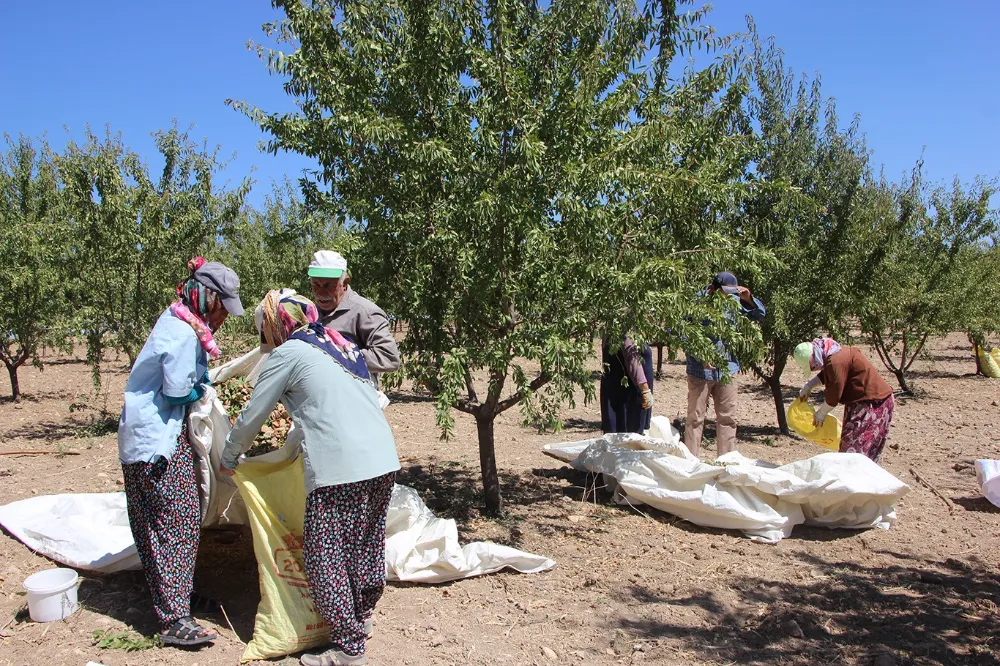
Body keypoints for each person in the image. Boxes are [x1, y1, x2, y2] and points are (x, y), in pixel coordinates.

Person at [222, 291, 400, 666]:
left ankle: (349, 648)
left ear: (276, 327)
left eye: (264, 334)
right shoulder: (339, 345)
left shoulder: (289, 353)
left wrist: (229, 456)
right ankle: (361, 619)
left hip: (341, 467)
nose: (265, 342)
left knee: (324, 557)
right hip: (383, 459)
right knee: (364, 546)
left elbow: (254, 412)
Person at [117, 257, 244, 647]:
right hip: (158, 443)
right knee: (176, 521)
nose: (224, 316)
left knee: (157, 523)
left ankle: (177, 597)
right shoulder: (184, 333)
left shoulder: (176, 319)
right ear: (208, 299)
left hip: (141, 439)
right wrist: (203, 389)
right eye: (223, 307)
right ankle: (173, 618)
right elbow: (176, 392)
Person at [685, 271, 766, 457]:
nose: (729, 296)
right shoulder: (696, 303)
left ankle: (726, 461)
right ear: (713, 289)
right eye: (725, 292)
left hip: (727, 369)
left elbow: (760, 314)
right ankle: (690, 462)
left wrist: (749, 299)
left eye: (732, 292)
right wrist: (700, 355)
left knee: (727, 418)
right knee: (695, 417)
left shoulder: (735, 302)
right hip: (700, 371)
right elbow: (681, 332)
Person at [795, 337, 895, 463]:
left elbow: (834, 395)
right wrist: (809, 385)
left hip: (873, 404)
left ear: (815, 359)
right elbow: (828, 374)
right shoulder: (833, 354)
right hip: (863, 403)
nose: (816, 369)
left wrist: (821, 414)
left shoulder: (835, 361)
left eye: (813, 367)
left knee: (854, 454)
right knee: (850, 449)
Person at [308, 250, 400, 381]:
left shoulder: (365, 312)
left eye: (328, 285)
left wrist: (337, 354)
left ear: (344, 283)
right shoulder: (310, 312)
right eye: (315, 284)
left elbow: (389, 358)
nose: (320, 292)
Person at [600, 335, 654, 434]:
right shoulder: (625, 331)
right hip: (627, 396)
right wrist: (645, 388)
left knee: (625, 435)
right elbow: (632, 359)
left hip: (626, 393)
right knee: (628, 435)